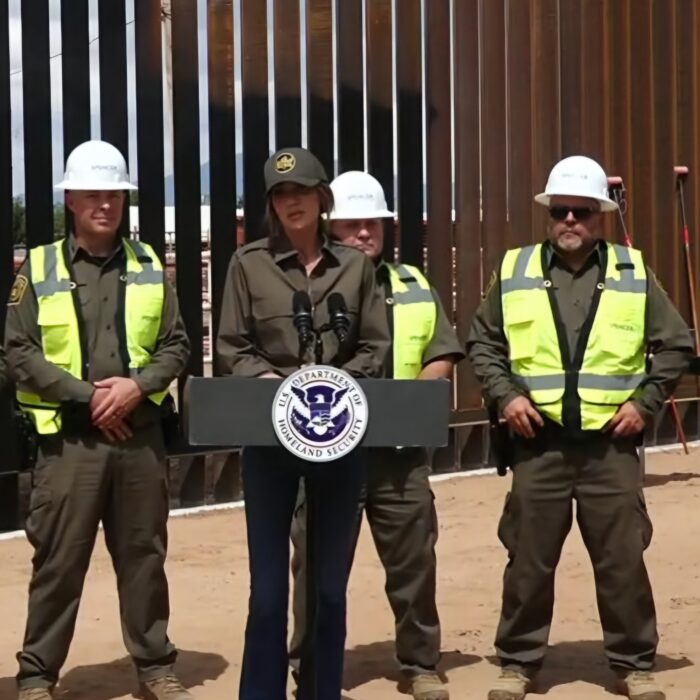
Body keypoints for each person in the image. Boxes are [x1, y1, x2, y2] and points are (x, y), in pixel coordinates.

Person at [466, 155, 693, 700]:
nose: (570, 220)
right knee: (528, 561)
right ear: (549, 214)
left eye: (582, 211)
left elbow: (677, 345)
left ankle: (634, 664)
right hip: (537, 445)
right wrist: (506, 396)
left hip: (609, 448)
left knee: (622, 561)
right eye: (561, 210)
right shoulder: (515, 270)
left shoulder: (632, 272)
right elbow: (482, 343)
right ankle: (518, 662)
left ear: (600, 215)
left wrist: (645, 403)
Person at [5, 140, 192, 700]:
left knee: (143, 558)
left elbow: (177, 346)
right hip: (70, 445)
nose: (104, 203)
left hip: (139, 440)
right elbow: (18, 352)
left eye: (113, 193)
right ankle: (37, 675)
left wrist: (135, 388)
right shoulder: (39, 267)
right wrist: (89, 398)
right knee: (59, 563)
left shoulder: (148, 264)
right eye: (92, 194)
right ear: (71, 200)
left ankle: (155, 667)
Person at [216, 148, 390, 700]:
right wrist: (270, 380)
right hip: (270, 442)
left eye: (302, 192)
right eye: (281, 194)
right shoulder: (248, 265)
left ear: (322, 198)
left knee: (328, 591)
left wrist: (334, 385)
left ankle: (321, 690)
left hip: (339, 437)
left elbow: (376, 346)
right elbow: (231, 346)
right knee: (268, 592)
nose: (292, 202)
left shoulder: (355, 267)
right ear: (272, 204)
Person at [289, 171, 465, 700]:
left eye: (373, 223)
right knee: (317, 570)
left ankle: (420, 664)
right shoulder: (304, 286)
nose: (364, 233)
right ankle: (313, 669)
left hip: (398, 456)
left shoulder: (413, 283)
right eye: (352, 225)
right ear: (329, 228)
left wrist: (409, 407)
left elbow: (441, 352)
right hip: (326, 454)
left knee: (414, 565)